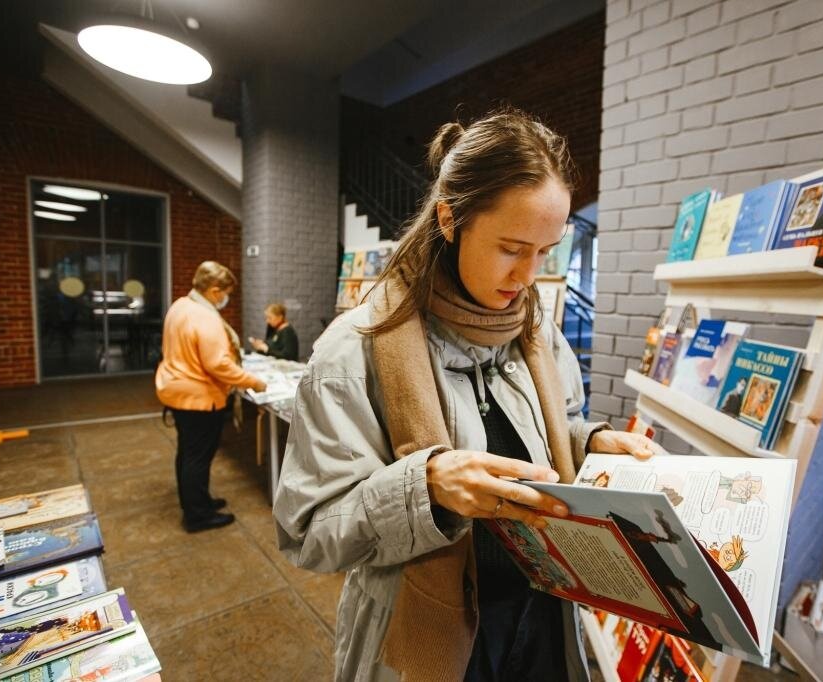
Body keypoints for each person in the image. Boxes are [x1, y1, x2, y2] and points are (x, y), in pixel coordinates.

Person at [273, 110, 662, 682]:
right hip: (425, 639)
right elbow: (307, 532)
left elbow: (549, 438)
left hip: (547, 615)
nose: (528, 276)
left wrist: (594, 441)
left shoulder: (536, 331)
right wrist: (426, 487)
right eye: (511, 247)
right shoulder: (352, 352)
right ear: (450, 219)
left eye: (546, 252)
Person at [156, 261, 266, 533]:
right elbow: (218, 364)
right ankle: (197, 516)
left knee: (188, 453)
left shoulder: (180, 305)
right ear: (214, 290)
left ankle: (199, 501)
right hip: (199, 397)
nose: (225, 299)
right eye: (225, 292)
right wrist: (254, 381)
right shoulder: (205, 317)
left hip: (178, 391)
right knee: (197, 457)